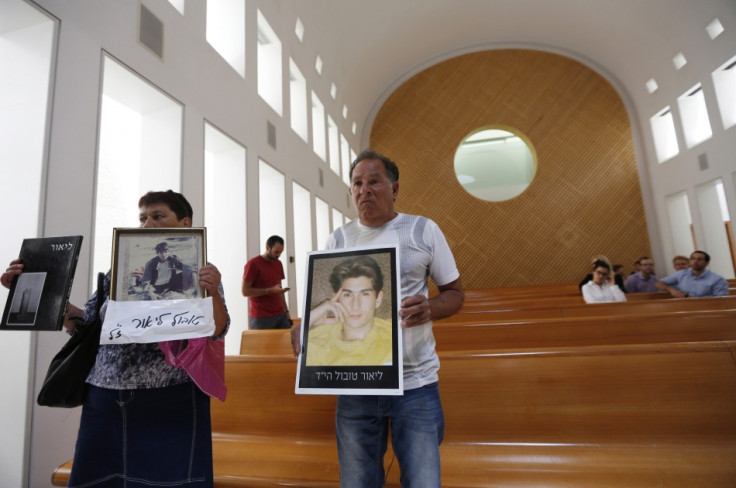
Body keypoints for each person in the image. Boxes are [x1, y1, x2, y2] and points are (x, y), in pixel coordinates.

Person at [2, 190, 230, 487]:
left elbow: (217, 329)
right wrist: (32, 291)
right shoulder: (119, 270)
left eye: (158, 217)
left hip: (170, 400)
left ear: (185, 223)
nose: (147, 224)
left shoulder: (198, 270)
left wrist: (212, 292)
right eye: (142, 218)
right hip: (106, 399)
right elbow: (87, 325)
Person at [291, 149, 464, 488]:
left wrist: (430, 307)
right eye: (357, 183)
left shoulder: (422, 230)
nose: (364, 190)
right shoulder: (338, 239)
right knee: (357, 482)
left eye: (374, 181)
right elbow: (327, 301)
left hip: (416, 383)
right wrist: (304, 328)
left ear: (394, 188)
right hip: (356, 383)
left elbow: (455, 293)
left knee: (423, 481)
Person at [306, 255, 392, 366]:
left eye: (365, 294)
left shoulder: (395, 333)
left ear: (378, 299)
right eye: (347, 295)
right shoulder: (314, 342)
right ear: (335, 300)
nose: (355, 305)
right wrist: (310, 320)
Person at [241, 235, 291, 329]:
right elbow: (245, 291)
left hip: (281, 315)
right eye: (276, 252)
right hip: (262, 318)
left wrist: (286, 311)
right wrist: (269, 290)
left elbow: (280, 290)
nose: (278, 255)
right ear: (267, 247)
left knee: (287, 343)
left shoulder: (278, 263)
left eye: (281, 252)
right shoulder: (253, 264)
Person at [656, 250, 729, 297]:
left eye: (699, 259)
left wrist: (696, 299)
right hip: (684, 308)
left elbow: (722, 300)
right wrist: (671, 290)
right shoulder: (681, 274)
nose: (695, 261)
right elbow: (659, 283)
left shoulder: (717, 279)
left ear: (707, 263)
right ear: (690, 261)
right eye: (693, 259)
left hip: (707, 309)